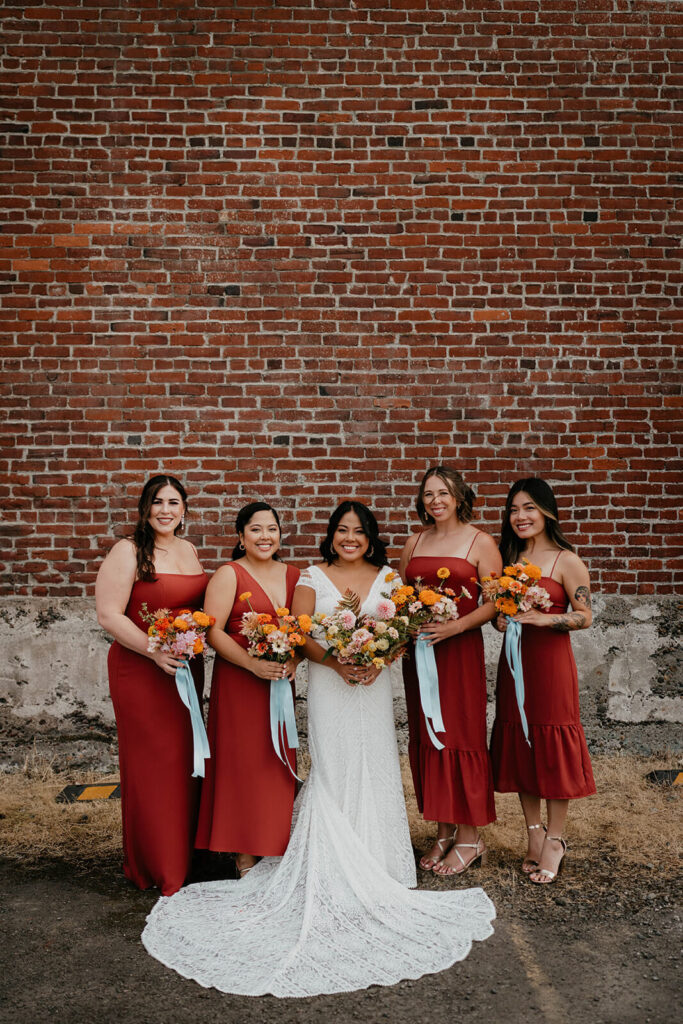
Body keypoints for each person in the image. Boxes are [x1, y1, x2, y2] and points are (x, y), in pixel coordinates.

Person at [141, 501, 495, 997]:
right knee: (333, 765)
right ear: (331, 535)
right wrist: (337, 664)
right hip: (331, 686)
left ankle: (381, 863)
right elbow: (303, 633)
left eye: (359, 531)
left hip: (372, 686)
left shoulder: (388, 577)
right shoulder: (310, 575)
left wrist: (378, 659)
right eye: (342, 530)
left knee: (375, 764)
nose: (350, 537)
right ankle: (327, 859)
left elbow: (400, 630)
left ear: (371, 538)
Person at [96, 474, 208, 896]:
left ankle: (186, 856)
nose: (166, 510)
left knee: (184, 760)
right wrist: (153, 651)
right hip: (142, 669)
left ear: (184, 509)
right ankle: (158, 866)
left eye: (174, 502)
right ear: (145, 508)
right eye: (158, 502)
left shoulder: (188, 549)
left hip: (183, 669)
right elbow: (109, 615)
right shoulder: (128, 551)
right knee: (153, 764)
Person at [489, 478, 596, 884]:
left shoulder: (566, 560)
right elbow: (503, 617)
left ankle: (556, 839)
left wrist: (545, 618)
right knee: (521, 740)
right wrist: (503, 620)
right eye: (514, 509)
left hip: (551, 665)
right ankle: (533, 832)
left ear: (546, 511)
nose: (520, 516)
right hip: (514, 665)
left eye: (529, 508)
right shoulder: (507, 558)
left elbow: (585, 617)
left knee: (552, 742)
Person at [400, 467, 502, 876]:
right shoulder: (415, 541)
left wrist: (455, 625)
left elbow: (495, 602)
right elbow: (400, 593)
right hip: (419, 652)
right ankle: (443, 829)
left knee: (461, 735)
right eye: (428, 495)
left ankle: (470, 836)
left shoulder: (482, 542)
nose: (435, 501)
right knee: (429, 735)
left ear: (459, 496)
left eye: (443, 493)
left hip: (457, 651)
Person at [194, 502, 300, 877]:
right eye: (255, 529)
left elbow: (302, 632)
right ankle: (243, 852)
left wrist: (294, 662)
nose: (265, 537)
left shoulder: (295, 576)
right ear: (241, 536)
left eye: (272, 529)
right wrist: (252, 663)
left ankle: (274, 842)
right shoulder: (229, 574)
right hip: (241, 680)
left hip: (278, 684)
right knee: (241, 764)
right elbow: (214, 631)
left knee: (275, 761)